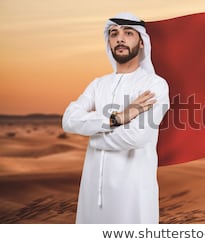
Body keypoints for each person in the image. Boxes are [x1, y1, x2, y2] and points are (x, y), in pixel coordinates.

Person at [62, 12, 169, 224]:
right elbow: (69, 120)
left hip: (133, 194)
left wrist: (94, 138)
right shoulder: (98, 84)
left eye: (128, 33)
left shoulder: (154, 85)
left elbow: (136, 137)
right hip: (92, 193)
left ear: (141, 43)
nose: (119, 38)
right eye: (113, 34)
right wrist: (118, 118)